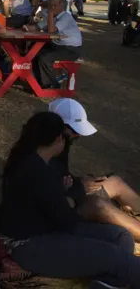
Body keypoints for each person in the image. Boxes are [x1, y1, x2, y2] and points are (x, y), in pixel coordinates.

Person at [1, 112, 140, 289]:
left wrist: (67, 194)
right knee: (114, 256)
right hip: (32, 245)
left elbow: (50, 203)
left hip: (49, 230)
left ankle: (107, 283)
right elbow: (67, 220)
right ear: (58, 139)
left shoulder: (33, 160)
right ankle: (117, 272)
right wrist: (78, 192)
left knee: (121, 236)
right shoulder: (36, 170)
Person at [48, 98, 140, 242]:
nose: (76, 136)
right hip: (58, 212)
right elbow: (49, 198)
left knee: (114, 182)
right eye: (73, 131)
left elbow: (60, 176)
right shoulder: (40, 151)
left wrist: (79, 182)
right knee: (98, 205)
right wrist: (79, 187)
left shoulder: (61, 142)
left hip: (70, 194)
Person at [25, 0, 82, 89]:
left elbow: (51, 30)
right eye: (51, 5)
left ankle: (51, 84)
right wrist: (26, 26)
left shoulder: (65, 17)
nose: (52, 7)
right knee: (34, 52)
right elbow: (37, 27)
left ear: (62, 7)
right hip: (59, 45)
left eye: (55, 5)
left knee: (45, 57)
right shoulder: (53, 17)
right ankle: (38, 82)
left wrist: (50, 13)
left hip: (71, 49)